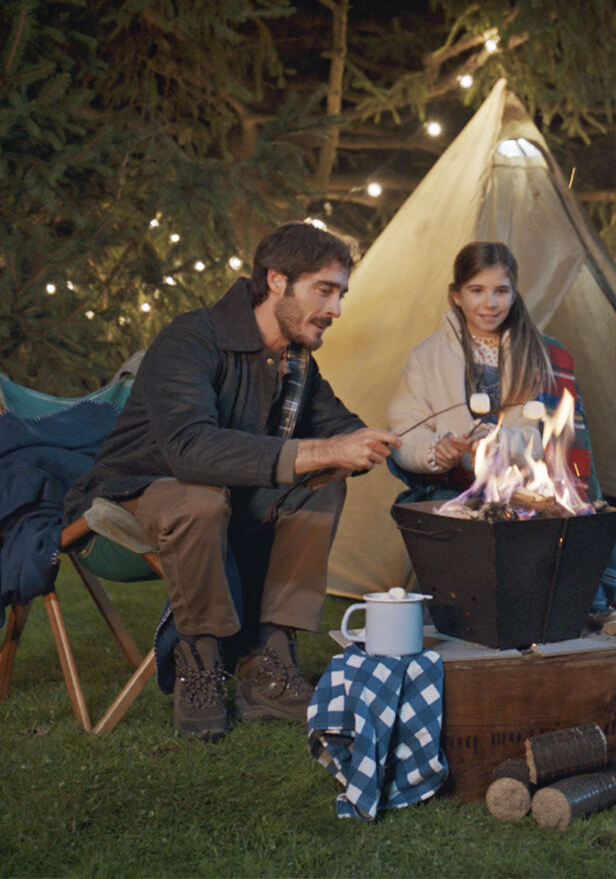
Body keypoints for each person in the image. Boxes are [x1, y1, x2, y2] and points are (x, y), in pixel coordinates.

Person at [65, 222, 400, 739]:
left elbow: (337, 426)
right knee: (200, 500)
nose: (336, 309)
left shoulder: (295, 361)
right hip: (135, 491)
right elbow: (190, 450)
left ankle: (268, 660)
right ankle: (199, 663)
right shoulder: (190, 337)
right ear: (277, 281)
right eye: (325, 290)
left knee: (325, 482)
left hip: (230, 498)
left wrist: (371, 443)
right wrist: (319, 450)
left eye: (340, 294)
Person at [386, 240, 616, 621]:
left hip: (526, 502)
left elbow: (546, 440)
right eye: (477, 290)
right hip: (455, 495)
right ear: (456, 295)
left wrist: (493, 446)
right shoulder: (426, 357)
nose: (490, 303)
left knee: (534, 601)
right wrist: (436, 450)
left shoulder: (541, 354)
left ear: (514, 293)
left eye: (501, 291)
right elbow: (406, 432)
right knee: (460, 603)